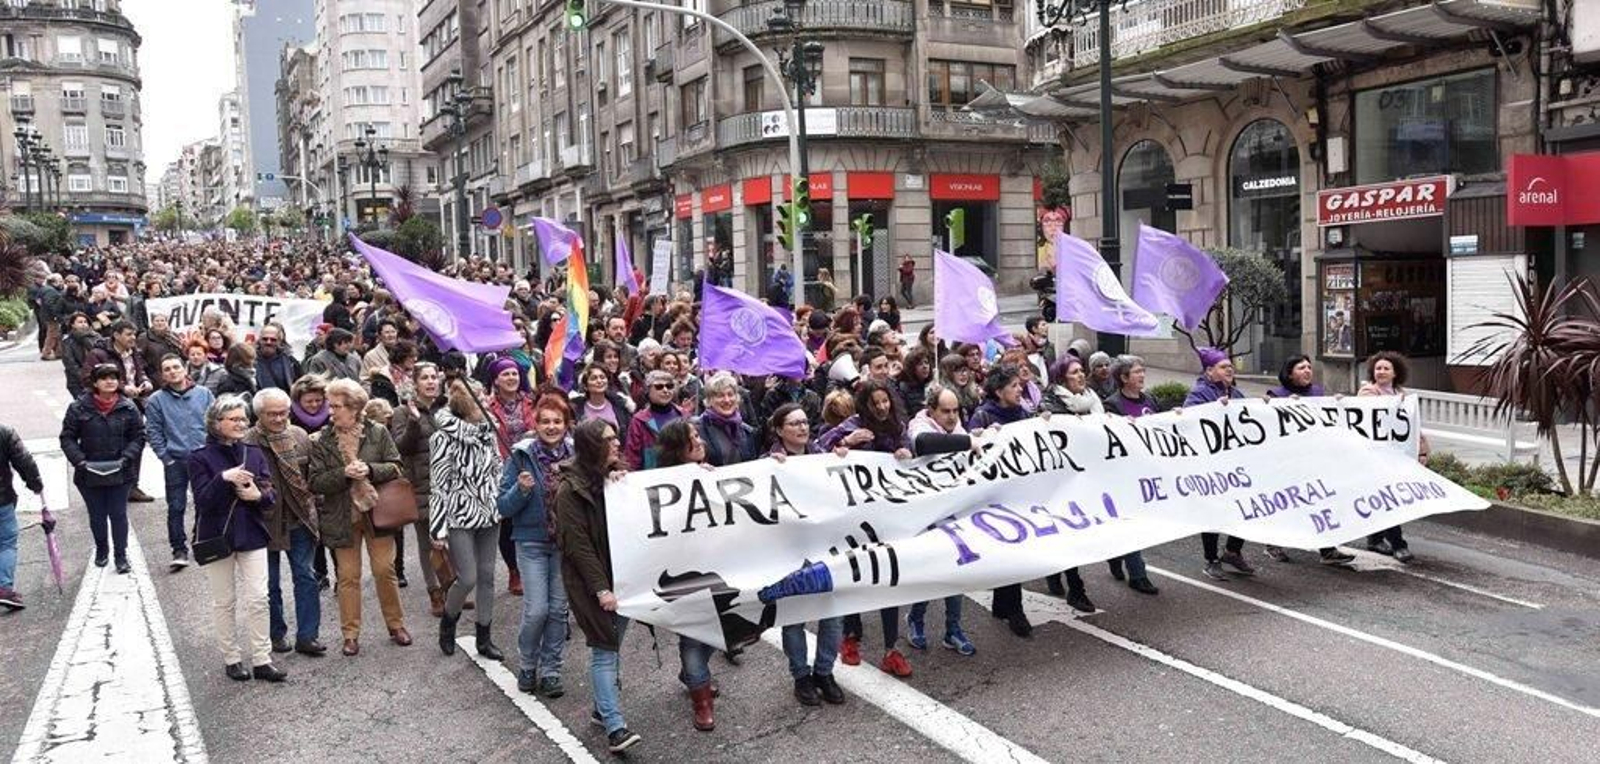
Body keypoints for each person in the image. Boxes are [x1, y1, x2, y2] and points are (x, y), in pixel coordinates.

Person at [554, 419, 641, 754]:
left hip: (623, 576)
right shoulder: (569, 491)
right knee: (605, 647)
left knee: (612, 641)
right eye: (609, 440)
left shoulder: (617, 476)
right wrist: (601, 589)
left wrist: (621, 482)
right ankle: (615, 727)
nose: (617, 443)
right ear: (592, 446)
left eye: (617, 437)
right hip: (592, 582)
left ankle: (601, 708)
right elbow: (578, 547)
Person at [307, 378, 411, 656]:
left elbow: (396, 467)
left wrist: (371, 471)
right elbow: (315, 481)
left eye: (337, 406)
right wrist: (343, 474)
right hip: (342, 517)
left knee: (384, 571)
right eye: (331, 406)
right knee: (348, 577)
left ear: (354, 408)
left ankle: (396, 625)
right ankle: (350, 635)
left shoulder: (377, 432)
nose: (331, 411)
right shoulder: (322, 439)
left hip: (377, 514)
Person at [188, 396, 287, 683]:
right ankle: (232, 658)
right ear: (217, 423)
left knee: (259, 598)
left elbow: (269, 493)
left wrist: (260, 496)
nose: (241, 424)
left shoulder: (253, 453)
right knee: (225, 601)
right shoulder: (199, 457)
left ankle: (262, 659)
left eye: (243, 419)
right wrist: (223, 478)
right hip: (216, 536)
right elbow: (204, 501)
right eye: (234, 419)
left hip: (252, 533)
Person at [819, 379, 913, 676]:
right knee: (855, 574)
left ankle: (890, 648)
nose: (883, 407)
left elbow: (910, 448)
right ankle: (850, 636)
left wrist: (905, 453)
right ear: (865, 407)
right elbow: (818, 446)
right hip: (853, 517)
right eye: (876, 404)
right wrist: (846, 442)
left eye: (886, 401)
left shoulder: (897, 424)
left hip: (886, 515)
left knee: (889, 578)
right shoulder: (851, 425)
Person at [763, 403, 848, 705]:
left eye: (804, 422)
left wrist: (840, 460)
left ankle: (824, 672)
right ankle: (801, 676)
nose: (801, 428)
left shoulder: (822, 458)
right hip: (789, 552)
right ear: (779, 429)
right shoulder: (768, 463)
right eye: (793, 423)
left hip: (826, 548)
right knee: (794, 617)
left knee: (834, 615)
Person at [499, 395, 572, 698]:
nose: (551, 427)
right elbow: (503, 506)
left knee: (558, 610)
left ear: (566, 425)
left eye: (557, 421)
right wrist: (521, 489)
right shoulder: (519, 457)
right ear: (535, 424)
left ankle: (551, 668)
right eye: (545, 421)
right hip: (530, 542)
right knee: (536, 610)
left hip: (565, 544)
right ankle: (528, 664)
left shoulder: (575, 454)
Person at [431, 378, 508, 661]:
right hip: (459, 514)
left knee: (488, 576)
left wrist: (505, 499)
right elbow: (438, 484)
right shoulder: (442, 437)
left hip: (490, 511)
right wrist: (438, 529)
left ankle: (484, 637)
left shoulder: (489, 432)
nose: (487, 399)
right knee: (467, 577)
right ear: (468, 403)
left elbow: (497, 470)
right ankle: (448, 621)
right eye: (480, 396)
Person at [246, 388, 327, 656]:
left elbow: (311, 475)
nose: (280, 419)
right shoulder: (248, 442)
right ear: (259, 415)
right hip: (264, 522)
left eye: (284, 413)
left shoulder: (299, 436)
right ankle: (276, 634)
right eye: (273, 414)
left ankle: (308, 636)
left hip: (299, 517)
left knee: (306, 577)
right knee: (269, 584)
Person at [966, 364, 1044, 636]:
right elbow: (971, 454)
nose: (1019, 388)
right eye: (1013, 386)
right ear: (998, 391)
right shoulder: (983, 416)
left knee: (1016, 549)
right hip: (996, 495)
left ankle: (1002, 603)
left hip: (1021, 490)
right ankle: (1015, 610)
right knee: (1009, 548)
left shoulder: (1022, 413)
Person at [902, 385, 978, 656]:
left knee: (956, 569)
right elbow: (924, 444)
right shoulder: (919, 425)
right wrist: (968, 442)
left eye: (956, 410)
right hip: (924, 513)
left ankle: (953, 630)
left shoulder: (958, 430)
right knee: (929, 569)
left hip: (953, 511)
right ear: (931, 409)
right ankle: (916, 618)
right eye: (945, 411)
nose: (951, 416)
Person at [1263, 355, 1357, 565]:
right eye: (1301, 368)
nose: (1307, 371)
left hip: (1313, 458)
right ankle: (1273, 543)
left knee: (1321, 500)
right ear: (1289, 373)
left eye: (1309, 367)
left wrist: (1340, 404)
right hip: (1287, 460)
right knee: (1286, 502)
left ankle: (1328, 549)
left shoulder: (1318, 392)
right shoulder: (1276, 395)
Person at [60, 363, 146, 573]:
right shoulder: (78, 407)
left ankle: (120, 555)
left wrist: (126, 458)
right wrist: (80, 461)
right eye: (105, 378)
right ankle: (101, 549)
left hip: (121, 471)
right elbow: (67, 438)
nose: (110, 381)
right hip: (88, 473)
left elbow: (139, 436)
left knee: (118, 514)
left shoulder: (128, 406)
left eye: (114, 377)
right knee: (97, 515)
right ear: (95, 383)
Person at [1183, 347, 1255, 580]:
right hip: (1212, 465)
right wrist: (1214, 410)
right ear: (1209, 371)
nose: (1230, 370)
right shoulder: (1199, 393)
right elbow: (1189, 419)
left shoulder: (1236, 393)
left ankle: (1233, 551)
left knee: (1248, 506)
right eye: (1224, 367)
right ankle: (1211, 559)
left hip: (1237, 463)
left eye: (1230, 366)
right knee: (1214, 511)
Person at [145, 354, 216, 571]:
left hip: (203, 459)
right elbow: (153, 430)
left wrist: (213, 451)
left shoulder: (204, 394)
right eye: (167, 369)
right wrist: (165, 458)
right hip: (175, 460)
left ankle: (201, 541)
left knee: (206, 503)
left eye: (176, 367)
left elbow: (214, 423)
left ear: (184, 369)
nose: (172, 372)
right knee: (176, 507)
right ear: (162, 374)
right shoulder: (156, 400)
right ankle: (179, 549)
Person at [1099, 355, 1162, 593]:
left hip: (1147, 472)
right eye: (1137, 372)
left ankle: (1116, 554)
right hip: (1124, 475)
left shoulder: (1151, 400)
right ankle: (1138, 574)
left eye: (1143, 371)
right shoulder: (1112, 405)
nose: (1142, 375)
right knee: (1131, 522)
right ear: (1124, 378)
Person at [1358, 351, 1427, 564]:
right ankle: (1398, 544)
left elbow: (1411, 427)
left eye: (1386, 368)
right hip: (1376, 455)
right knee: (1390, 499)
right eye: (1378, 368)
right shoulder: (1368, 392)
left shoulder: (1402, 395)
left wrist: (1422, 450)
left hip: (1395, 455)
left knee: (1388, 497)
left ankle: (1375, 539)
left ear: (1395, 373)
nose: (1381, 371)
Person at [389, 362, 446, 615]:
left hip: (448, 483)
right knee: (427, 542)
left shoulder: (447, 408)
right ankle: (434, 591)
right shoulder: (402, 412)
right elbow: (402, 447)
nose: (431, 382)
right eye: (425, 378)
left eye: (434, 377)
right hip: (421, 484)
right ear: (415, 383)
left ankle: (450, 585)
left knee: (449, 539)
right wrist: (413, 421)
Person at [483, 356, 535, 596]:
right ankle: (514, 570)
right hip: (502, 467)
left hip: (530, 462)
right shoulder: (487, 406)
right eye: (506, 374)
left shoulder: (531, 401)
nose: (512, 378)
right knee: (507, 521)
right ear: (496, 380)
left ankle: (530, 567)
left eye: (514, 373)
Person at [289, 374, 335, 590]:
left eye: (318, 400)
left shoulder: (332, 415)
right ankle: (320, 573)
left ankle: (340, 575)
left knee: (333, 530)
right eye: (309, 401)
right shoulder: (291, 420)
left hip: (330, 476)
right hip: (304, 480)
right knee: (312, 531)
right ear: (299, 401)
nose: (315, 405)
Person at [0, 423, 44, 610]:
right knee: (7, 542)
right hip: (2, 499)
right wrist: (35, 484)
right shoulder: (4, 432)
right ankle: (4, 587)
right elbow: (24, 460)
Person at [623, 370, 682, 471]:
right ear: (648, 390)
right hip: (651, 477)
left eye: (669, 386)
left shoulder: (683, 415)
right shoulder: (639, 421)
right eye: (659, 387)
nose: (665, 390)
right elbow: (632, 458)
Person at [253, 323, 303, 393]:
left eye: (273, 340)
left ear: (280, 341)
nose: (268, 342)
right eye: (265, 339)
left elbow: (300, 387)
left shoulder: (291, 362)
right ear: (259, 340)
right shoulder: (249, 361)